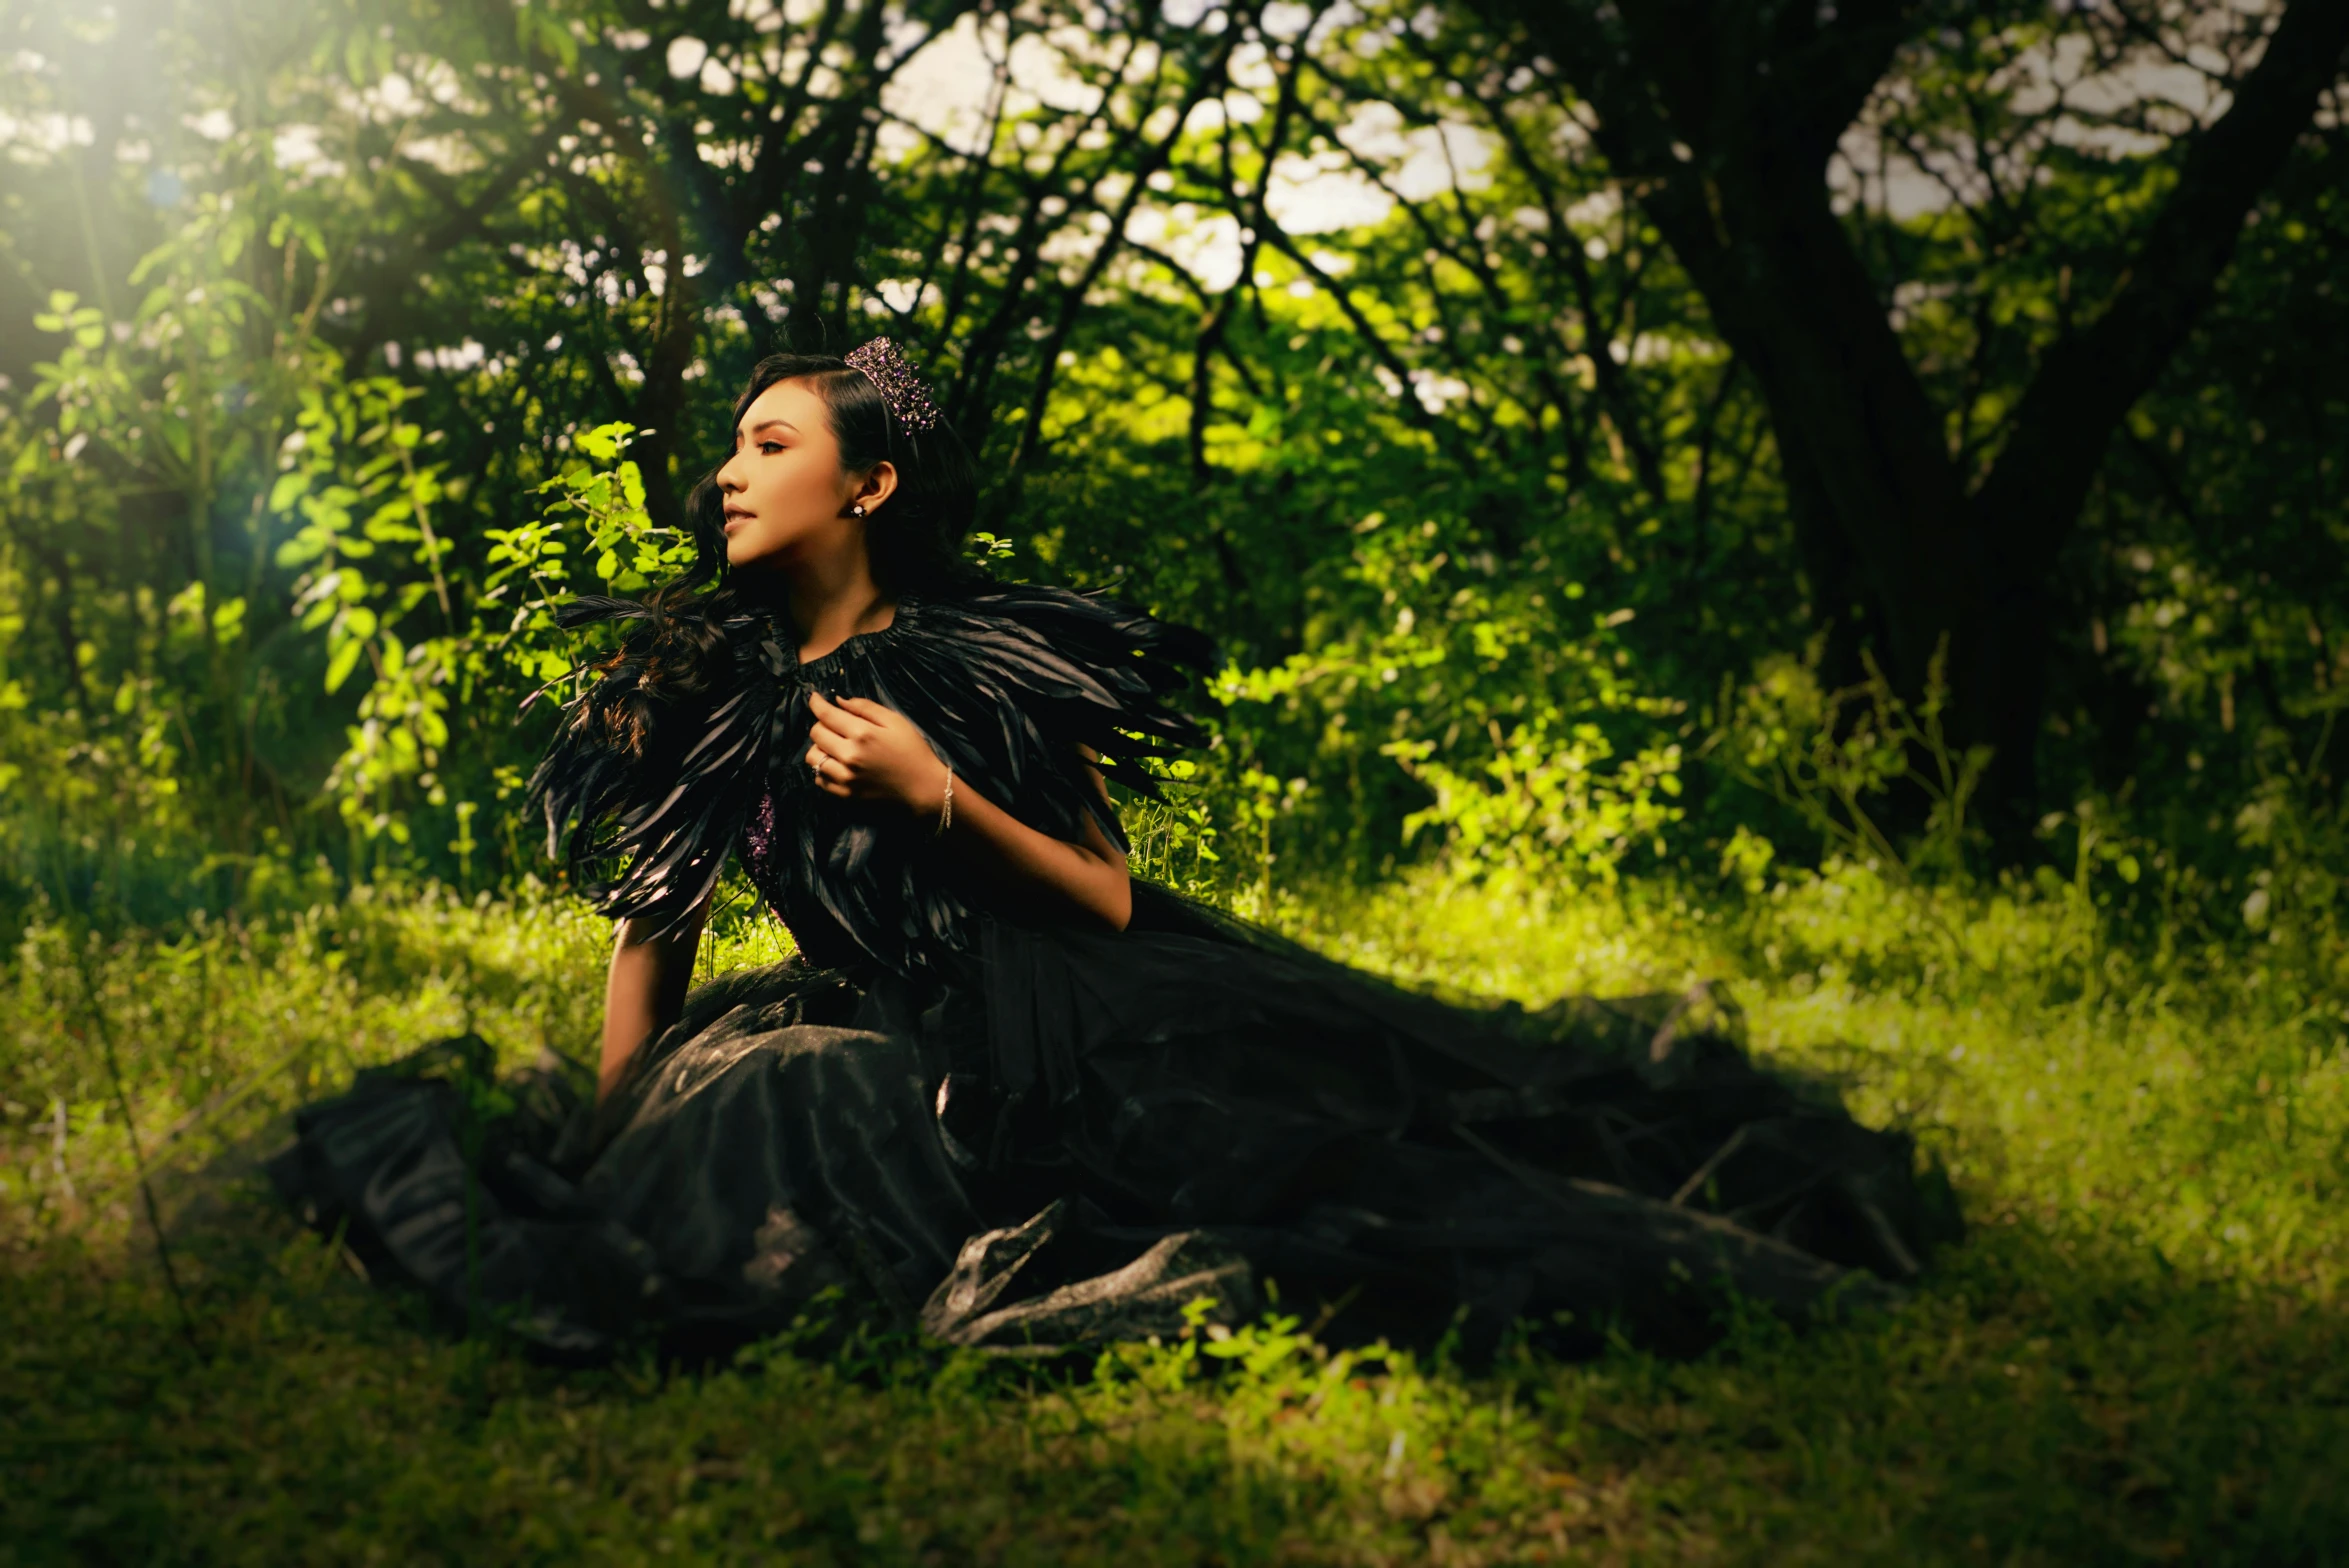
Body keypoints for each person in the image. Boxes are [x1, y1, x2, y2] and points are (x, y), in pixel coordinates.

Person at [271, 340, 1957, 1363]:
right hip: (885, 1028)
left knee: (1405, 1157)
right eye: (732, 444)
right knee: (755, 1117)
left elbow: (1098, 890)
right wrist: (613, 1142)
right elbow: (655, 930)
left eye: (768, 445)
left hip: (1093, 1018)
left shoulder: (982, 661)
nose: (725, 471)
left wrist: (940, 795)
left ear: (867, 488)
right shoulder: (707, 686)